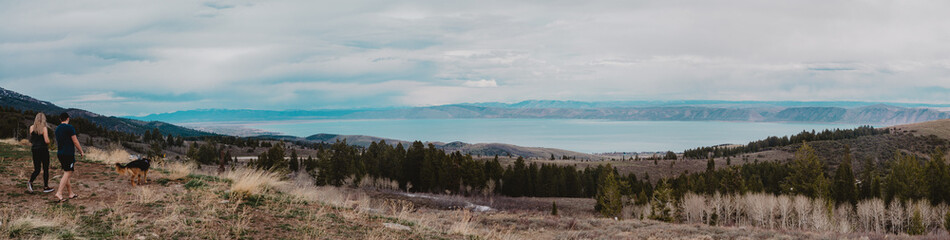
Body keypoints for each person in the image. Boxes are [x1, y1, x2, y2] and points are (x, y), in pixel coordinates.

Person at [54, 112, 83, 202]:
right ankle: (59, 193)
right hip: (68, 153)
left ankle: (71, 193)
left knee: (67, 174)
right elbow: (75, 141)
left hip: (60, 153)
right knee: (67, 173)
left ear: (60, 119)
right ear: (68, 118)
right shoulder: (69, 127)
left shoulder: (57, 129)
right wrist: (81, 151)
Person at [28, 113, 54, 193]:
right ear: (44, 119)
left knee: (37, 169)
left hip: (34, 149)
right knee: (45, 168)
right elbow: (46, 141)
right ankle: (46, 187)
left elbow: (32, 139)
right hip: (43, 149)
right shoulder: (44, 128)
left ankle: (30, 182)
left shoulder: (31, 127)